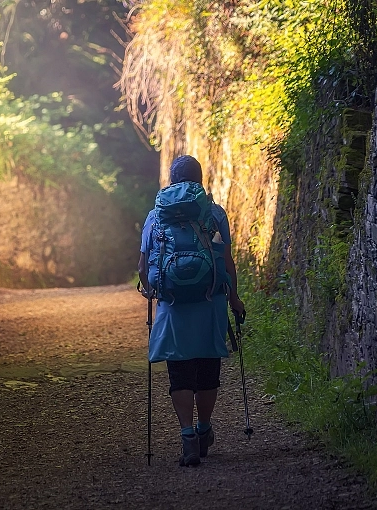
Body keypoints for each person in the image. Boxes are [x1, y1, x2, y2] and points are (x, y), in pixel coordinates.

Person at [137, 155, 245, 467]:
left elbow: (143, 266)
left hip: (172, 306)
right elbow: (226, 261)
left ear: (171, 181)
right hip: (210, 302)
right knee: (207, 368)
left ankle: (187, 438)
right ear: (200, 180)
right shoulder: (213, 212)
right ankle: (204, 430)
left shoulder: (156, 215)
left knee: (180, 371)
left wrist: (150, 289)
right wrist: (234, 298)